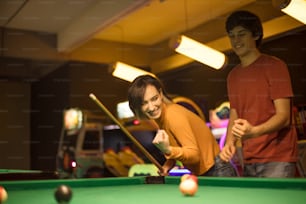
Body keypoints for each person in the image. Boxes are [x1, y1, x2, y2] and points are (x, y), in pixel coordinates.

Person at [219, 10, 298, 177]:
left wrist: (254, 132)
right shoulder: (232, 76)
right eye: (232, 36)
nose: (236, 41)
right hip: (248, 158)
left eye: (241, 34)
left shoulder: (275, 66)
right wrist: (229, 143)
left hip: (278, 158)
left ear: (255, 35)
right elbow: (235, 113)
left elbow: (284, 117)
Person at [127, 74, 237, 176]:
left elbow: (194, 155)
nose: (151, 107)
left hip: (217, 170)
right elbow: (179, 145)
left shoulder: (173, 116)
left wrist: (168, 150)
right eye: (144, 103)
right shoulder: (162, 117)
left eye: (154, 99)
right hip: (209, 170)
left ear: (160, 94)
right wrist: (168, 165)